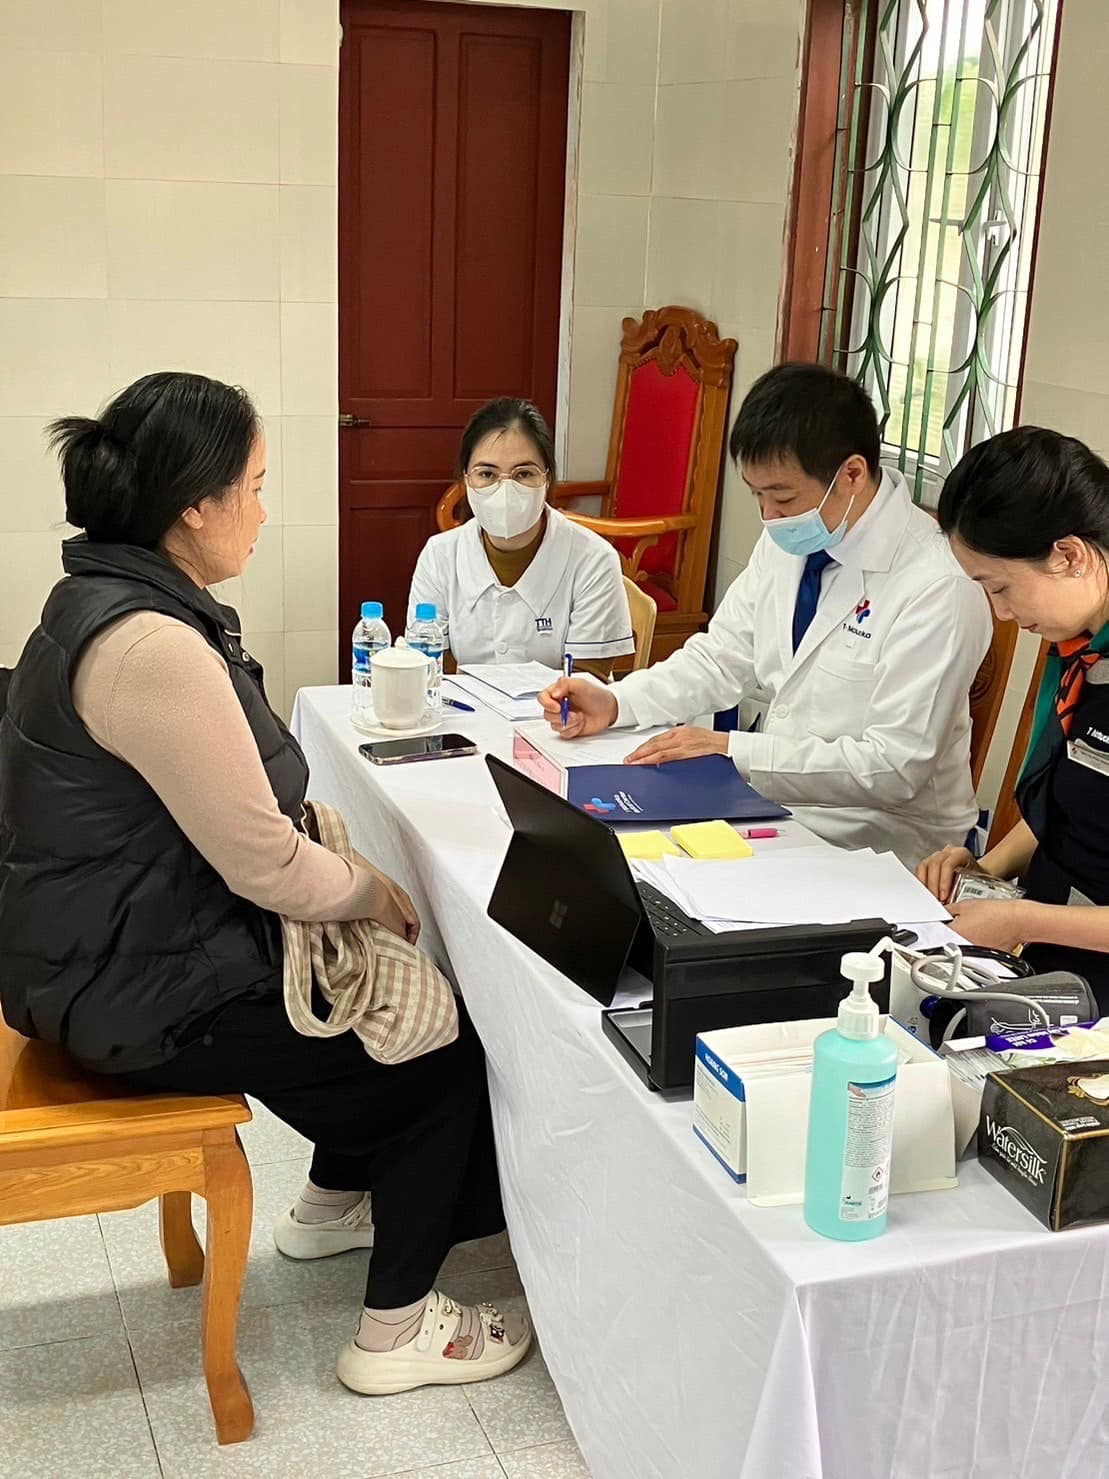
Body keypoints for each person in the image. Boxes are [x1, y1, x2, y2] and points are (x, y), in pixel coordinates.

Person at [0, 372, 531, 1395]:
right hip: (127, 991)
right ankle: (396, 1332)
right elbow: (264, 864)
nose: (262, 509)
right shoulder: (151, 645)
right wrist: (369, 890)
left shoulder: (101, 597)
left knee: (357, 992)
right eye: (252, 486)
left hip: (93, 950)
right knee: (434, 1058)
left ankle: (331, 1207)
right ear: (194, 507)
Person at [539, 363, 993, 866]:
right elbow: (721, 658)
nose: (768, 516)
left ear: (852, 474)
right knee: (598, 852)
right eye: (757, 496)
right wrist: (616, 701)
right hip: (775, 811)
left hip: (886, 846)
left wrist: (734, 751)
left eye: (782, 497)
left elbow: (894, 767)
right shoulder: (795, 534)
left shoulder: (938, 585)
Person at [917, 427, 1109, 1010]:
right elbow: (1075, 792)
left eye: (1000, 587)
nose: (1000, 613)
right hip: (1051, 948)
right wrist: (986, 870)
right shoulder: (1083, 650)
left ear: (1069, 555)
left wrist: (1022, 918)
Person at [408, 398, 634, 680]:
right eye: (487, 474)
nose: (505, 489)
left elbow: (588, 681)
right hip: (467, 708)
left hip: (559, 709)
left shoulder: (593, 559)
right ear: (466, 479)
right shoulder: (439, 555)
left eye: (524, 474)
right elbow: (431, 671)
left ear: (547, 478)